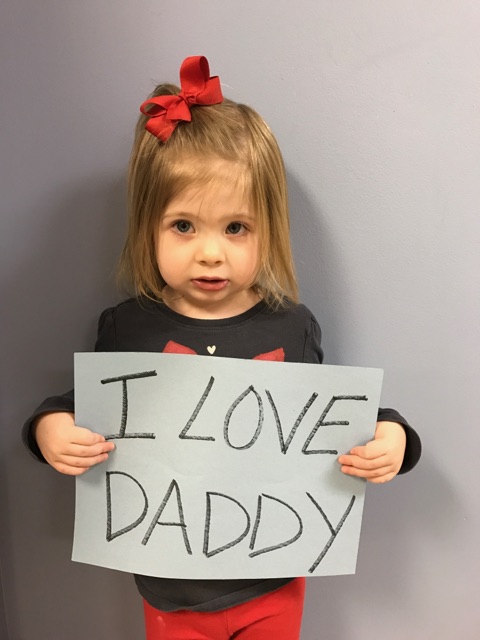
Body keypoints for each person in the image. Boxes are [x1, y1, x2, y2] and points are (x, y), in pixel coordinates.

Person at [22, 56, 421, 640]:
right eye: (184, 226)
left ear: (268, 230)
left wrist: (393, 438)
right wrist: (50, 429)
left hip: (272, 579)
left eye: (236, 228)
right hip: (169, 587)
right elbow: (80, 407)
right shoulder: (127, 328)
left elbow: (330, 418)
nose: (211, 253)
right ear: (148, 227)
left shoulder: (292, 326)